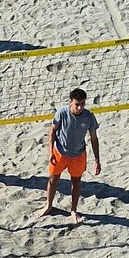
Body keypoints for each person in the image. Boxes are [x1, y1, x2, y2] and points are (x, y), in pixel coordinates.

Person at [36, 87, 101, 224]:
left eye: (83, 104)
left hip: (78, 155)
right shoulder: (62, 112)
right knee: (53, 180)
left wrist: (97, 160)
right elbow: (52, 131)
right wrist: (50, 152)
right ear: (70, 102)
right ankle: (48, 205)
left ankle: (73, 210)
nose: (80, 107)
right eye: (77, 104)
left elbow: (94, 139)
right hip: (59, 153)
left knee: (76, 182)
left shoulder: (89, 117)